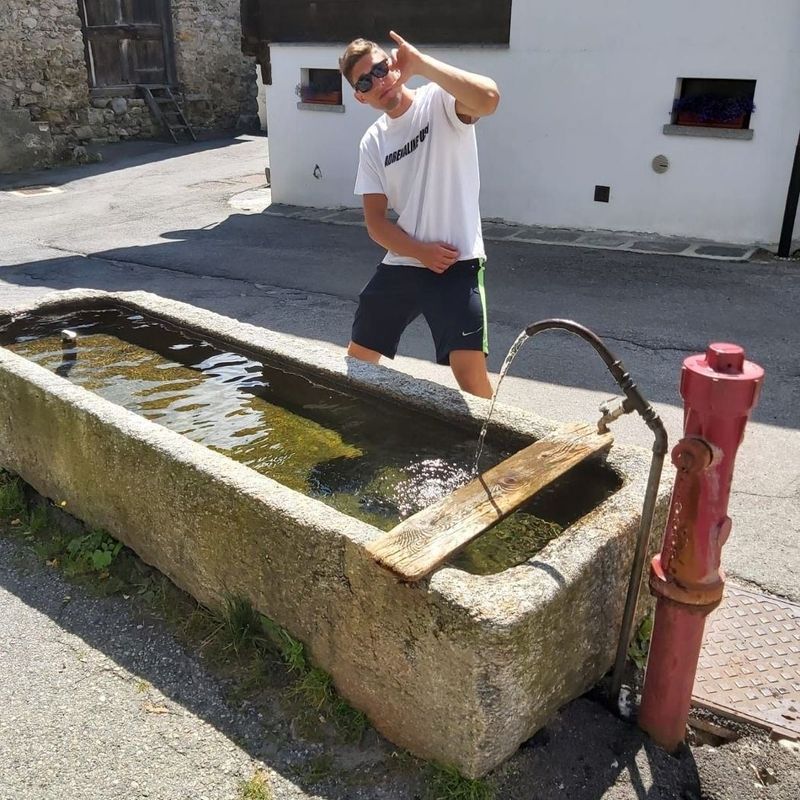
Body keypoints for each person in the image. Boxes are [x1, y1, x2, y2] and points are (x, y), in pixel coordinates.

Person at [338, 31, 500, 398]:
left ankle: (496, 446)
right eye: (365, 80)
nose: (378, 81)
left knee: (470, 376)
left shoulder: (441, 102)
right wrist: (420, 252)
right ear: (360, 96)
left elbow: (489, 98)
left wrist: (424, 64)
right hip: (406, 262)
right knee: (358, 362)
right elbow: (376, 223)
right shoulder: (373, 142)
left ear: (394, 66)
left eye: (381, 69)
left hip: (456, 261)